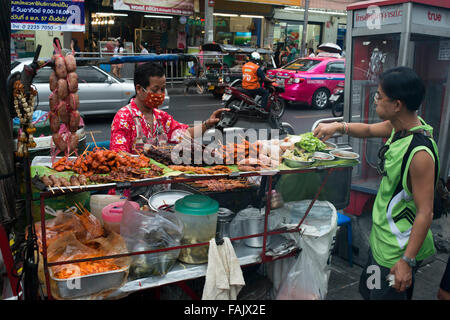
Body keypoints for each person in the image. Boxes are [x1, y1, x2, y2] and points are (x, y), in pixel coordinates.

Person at [313, 67, 440, 300]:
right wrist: (337, 127)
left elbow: (426, 211)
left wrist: (406, 261)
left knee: (387, 295)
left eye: (379, 96)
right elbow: (369, 129)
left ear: (397, 104)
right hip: (381, 243)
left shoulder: (419, 153)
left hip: (397, 252)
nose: (375, 101)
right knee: (371, 292)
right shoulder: (400, 127)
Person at [110, 62, 228, 154]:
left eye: (163, 89)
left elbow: (184, 134)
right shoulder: (124, 117)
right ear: (139, 89)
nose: (160, 94)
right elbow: (119, 155)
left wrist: (207, 124)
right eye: (155, 90)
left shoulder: (161, 117)